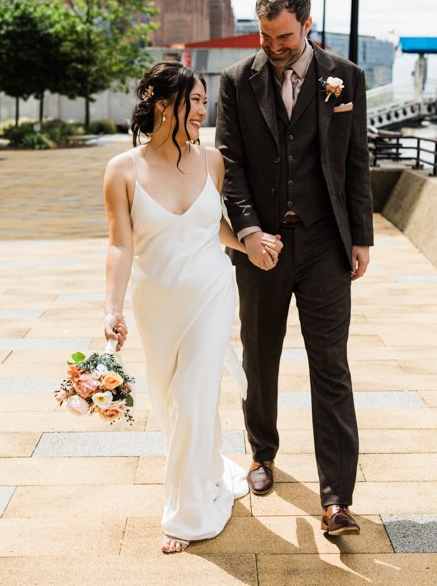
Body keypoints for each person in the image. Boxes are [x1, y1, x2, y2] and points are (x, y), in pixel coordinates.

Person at [102, 61, 282, 553]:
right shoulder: (122, 170)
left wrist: (250, 245)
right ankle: (201, 474)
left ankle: (186, 518)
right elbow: (121, 245)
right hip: (156, 302)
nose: (204, 110)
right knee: (169, 403)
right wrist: (111, 310)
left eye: (205, 101)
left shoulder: (213, 161)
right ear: (163, 104)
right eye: (195, 100)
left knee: (193, 395)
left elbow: (215, 226)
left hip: (210, 292)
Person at [216, 0, 374, 536]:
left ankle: (337, 499)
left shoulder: (345, 77)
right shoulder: (237, 82)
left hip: (326, 244)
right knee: (259, 355)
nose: (273, 45)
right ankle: (262, 453)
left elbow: (355, 160)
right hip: (262, 245)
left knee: (330, 364)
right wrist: (249, 231)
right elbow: (229, 165)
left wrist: (362, 236)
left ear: (306, 24)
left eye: (282, 35)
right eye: (264, 35)